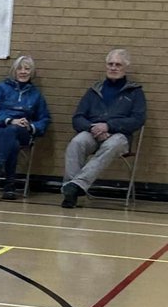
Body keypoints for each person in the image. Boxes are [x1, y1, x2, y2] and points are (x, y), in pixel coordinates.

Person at [61, 48, 147, 209]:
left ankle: (76, 185)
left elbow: (138, 119)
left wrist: (109, 126)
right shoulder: (94, 90)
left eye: (118, 64)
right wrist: (93, 128)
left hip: (120, 137)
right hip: (93, 132)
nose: (113, 67)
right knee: (76, 142)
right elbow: (78, 118)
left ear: (125, 67)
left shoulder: (135, 92)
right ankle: (70, 191)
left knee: (111, 144)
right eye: (110, 64)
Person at [0, 55, 51, 200]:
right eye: (19, 68)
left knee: (13, 133)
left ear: (32, 72)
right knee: (12, 139)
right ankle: (9, 185)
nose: (23, 72)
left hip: (23, 131)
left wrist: (30, 126)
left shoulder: (36, 95)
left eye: (27, 69)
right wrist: (10, 120)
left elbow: (44, 119)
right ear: (14, 70)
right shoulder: (0, 88)